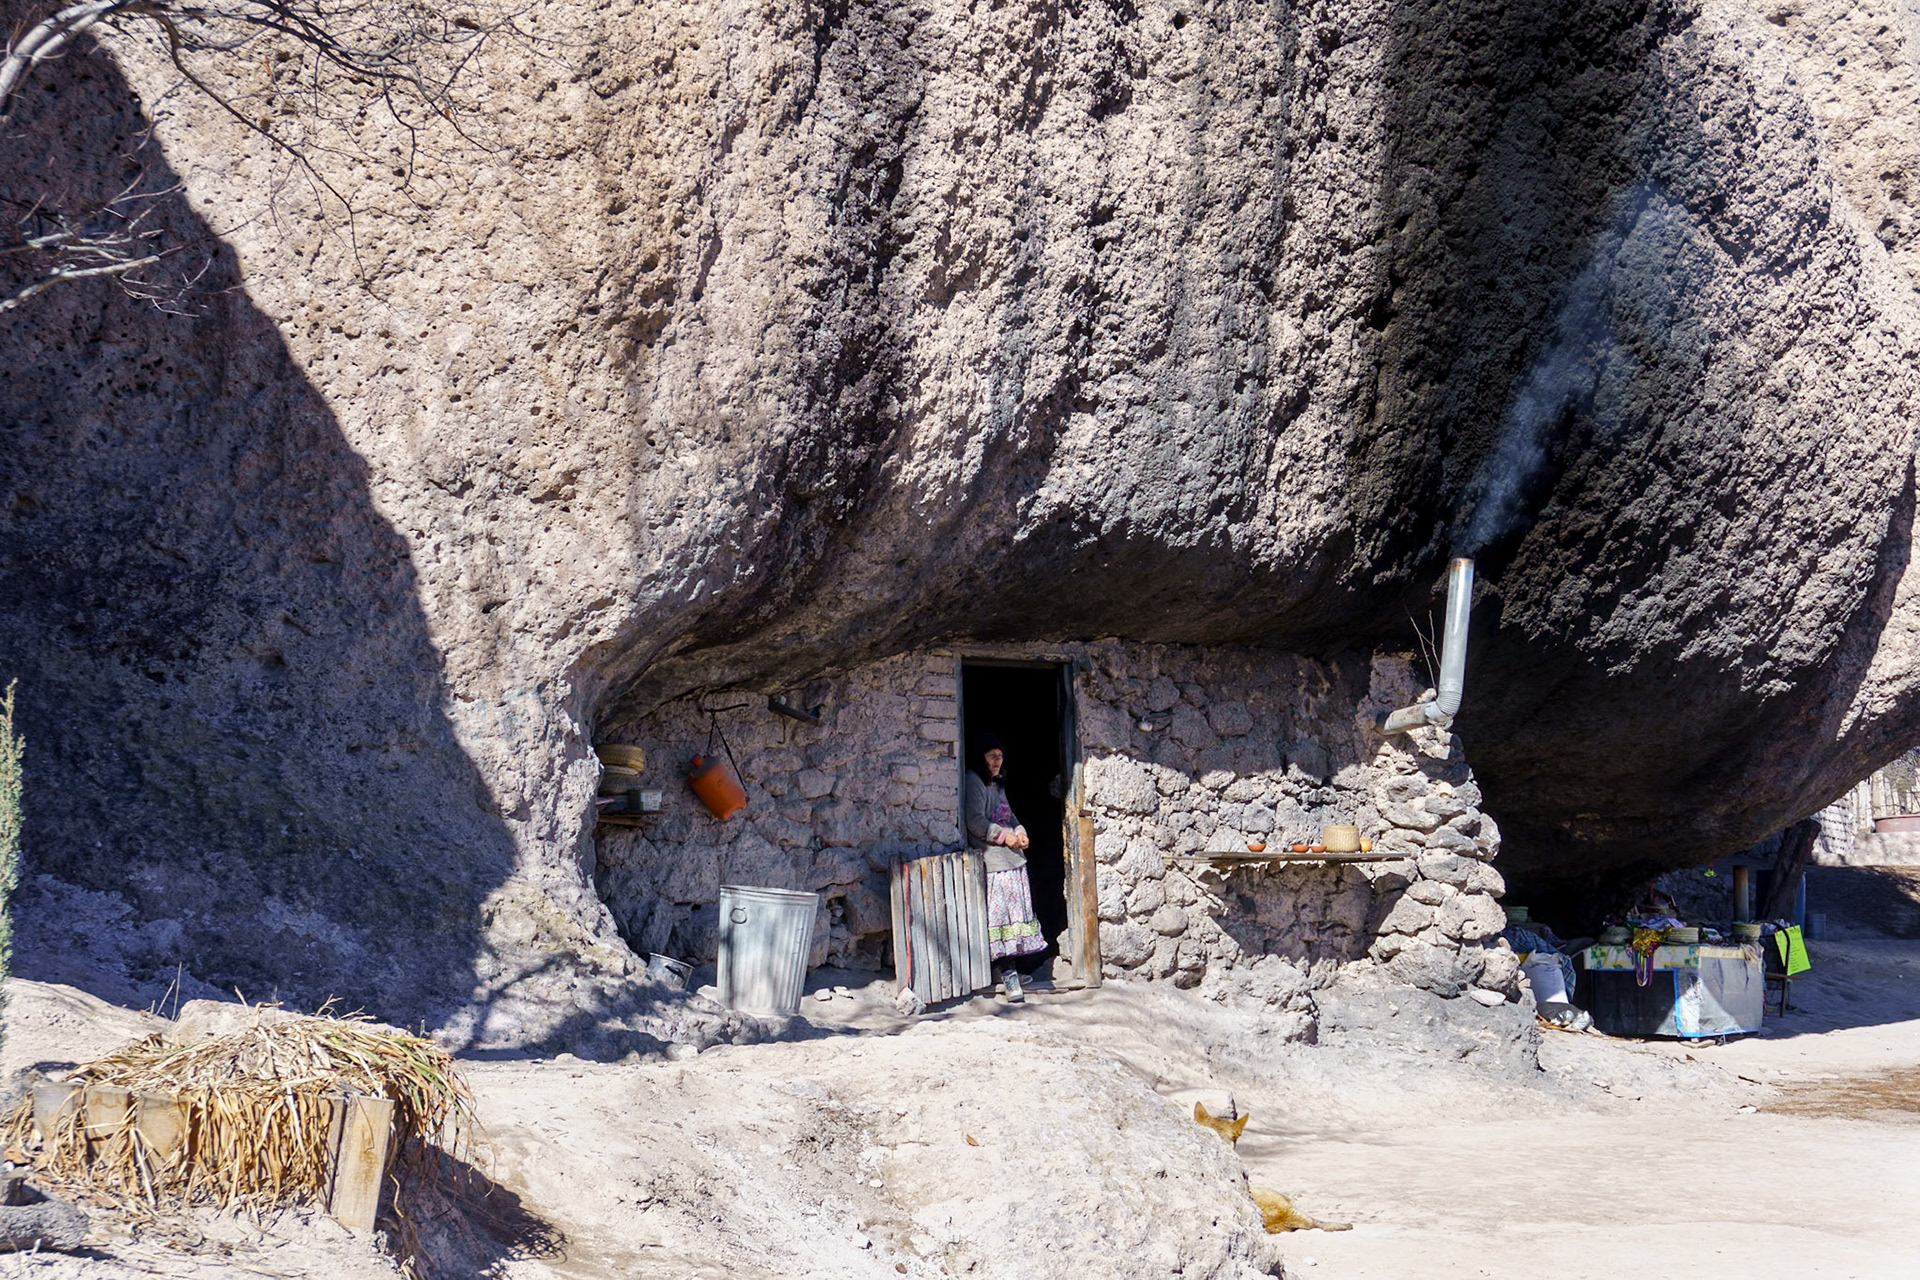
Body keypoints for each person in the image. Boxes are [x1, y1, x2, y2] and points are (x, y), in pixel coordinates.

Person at [964, 732, 1047, 1000]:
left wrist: (1020, 831)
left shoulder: (996, 783)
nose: (997, 760)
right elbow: (975, 820)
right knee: (1001, 922)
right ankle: (1007, 974)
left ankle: (1008, 971)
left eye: (1000, 756)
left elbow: (1008, 814)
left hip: (1011, 861)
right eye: (992, 756)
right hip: (995, 863)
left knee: (1014, 921)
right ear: (981, 758)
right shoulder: (973, 781)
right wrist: (1004, 837)